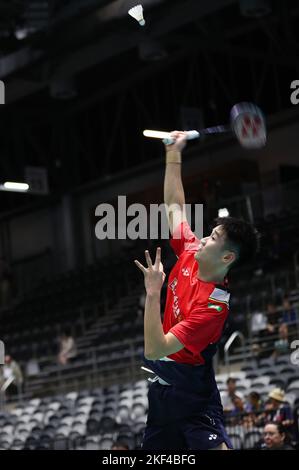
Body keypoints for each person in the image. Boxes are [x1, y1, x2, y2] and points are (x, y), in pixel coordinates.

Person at [134, 131, 258, 450]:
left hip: (192, 393)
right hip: (163, 388)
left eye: (213, 237)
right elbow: (175, 206)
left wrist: (152, 292)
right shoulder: (189, 250)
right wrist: (173, 154)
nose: (203, 238)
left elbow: (154, 348)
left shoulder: (213, 309)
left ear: (227, 257)